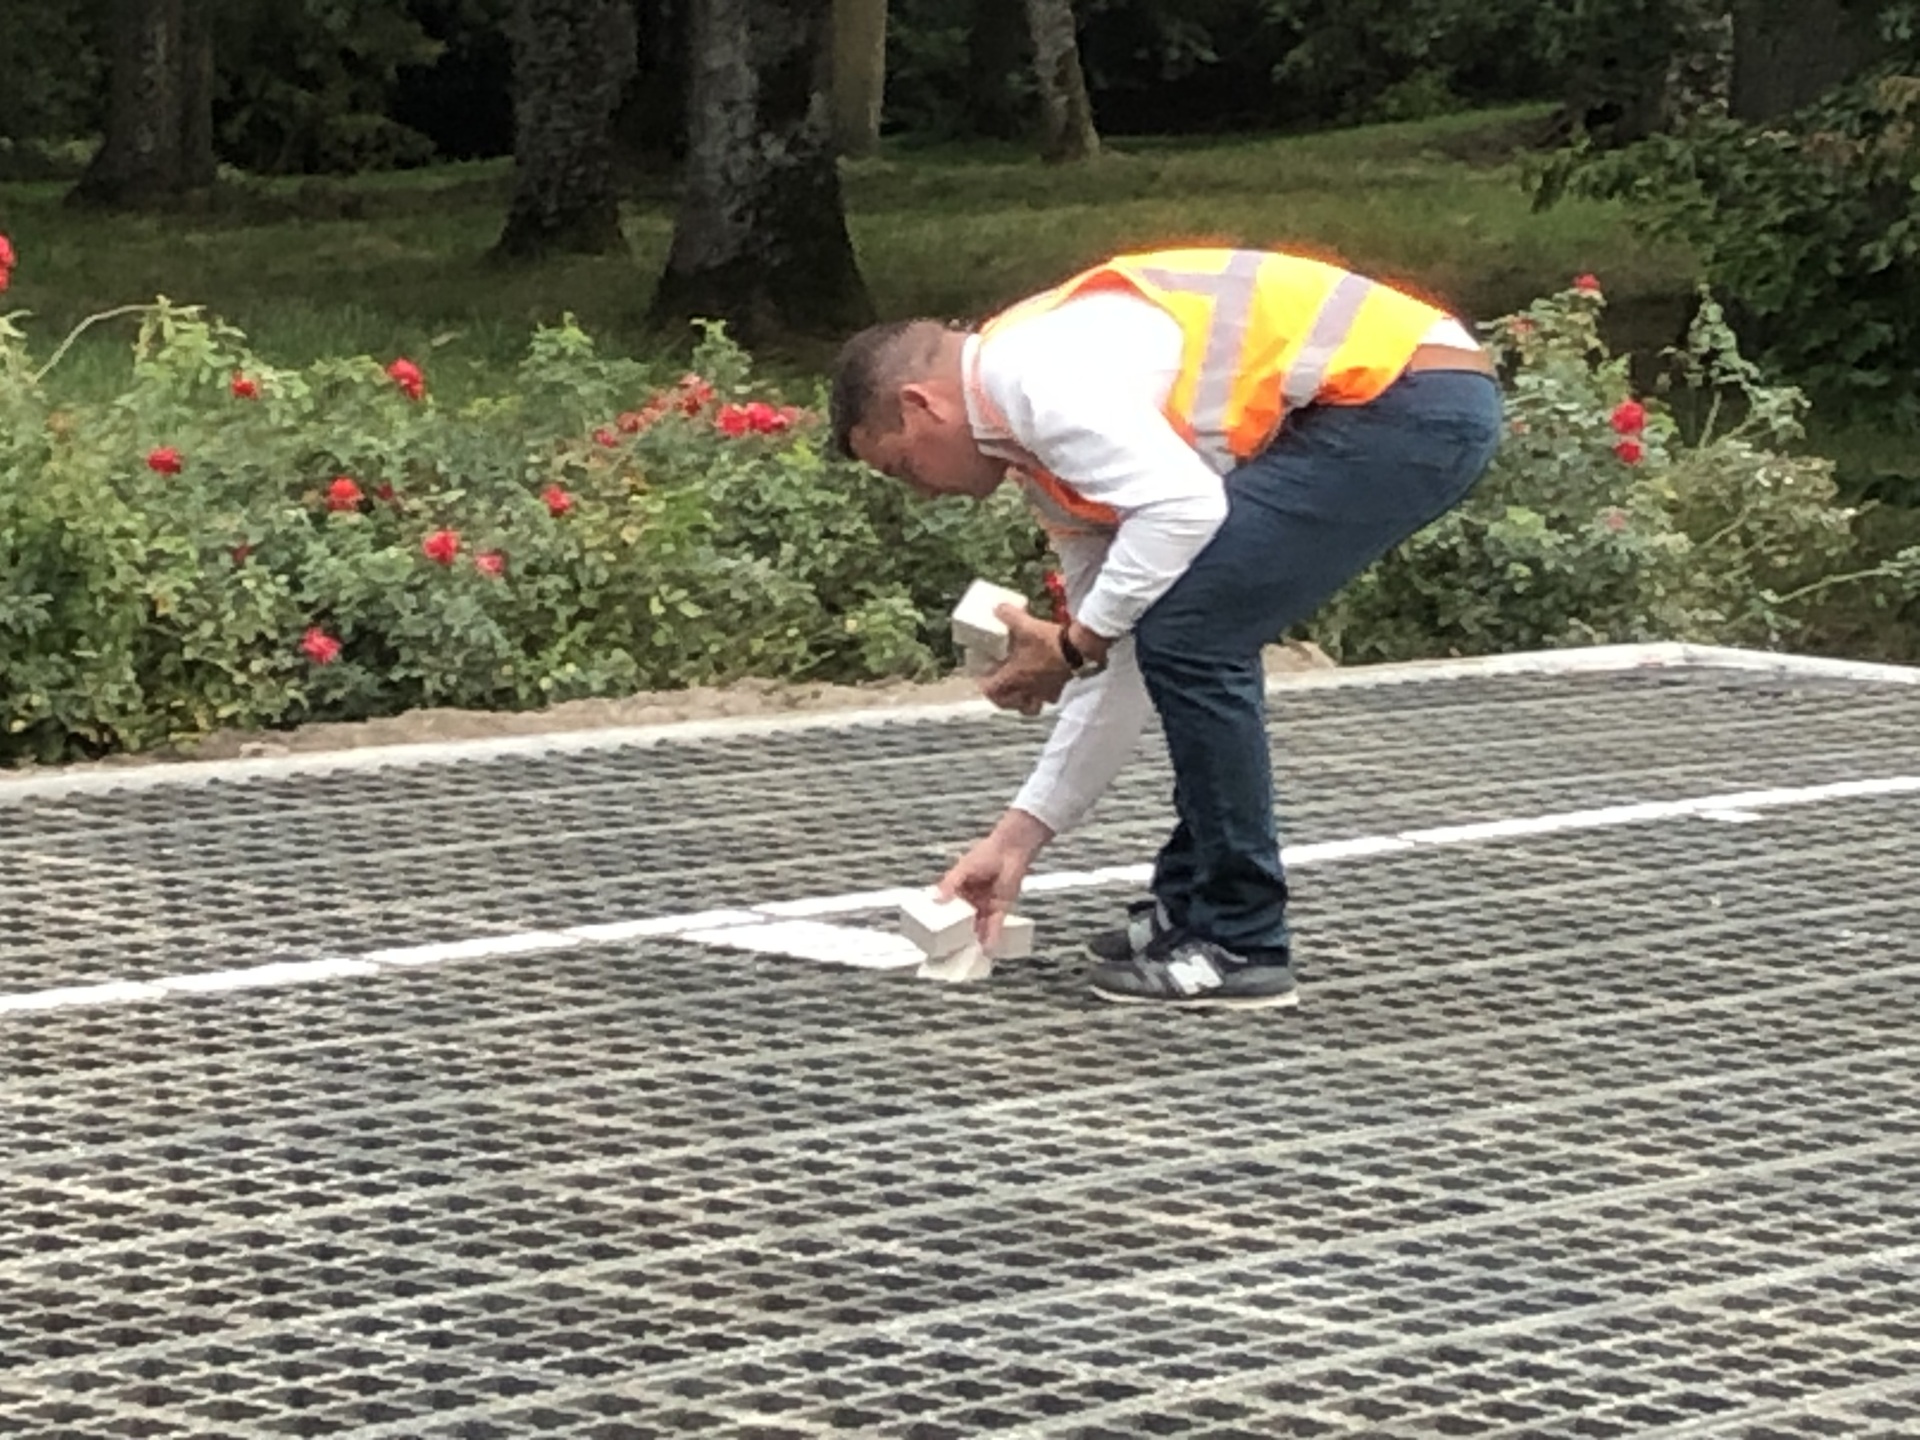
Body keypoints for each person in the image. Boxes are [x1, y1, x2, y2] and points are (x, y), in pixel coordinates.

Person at [829, 247, 1502, 1009]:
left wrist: (1075, 643)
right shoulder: (1045, 458)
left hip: (1403, 399)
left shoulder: (1031, 375)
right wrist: (1017, 839)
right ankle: (1194, 908)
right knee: (1180, 625)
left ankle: (1240, 938)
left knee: (1194, 630)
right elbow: (1115, 663)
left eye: (901, 467)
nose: (920, 494)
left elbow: (1181, 517)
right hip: (1391, 400)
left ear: (923, 407)